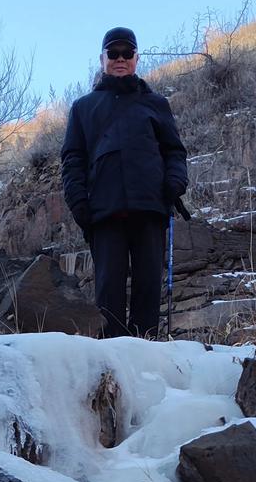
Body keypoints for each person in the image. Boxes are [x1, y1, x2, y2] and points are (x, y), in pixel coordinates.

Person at [61, 26, 188, 338]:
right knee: (108, 291)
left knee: (148, 286)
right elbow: (72, 160)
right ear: (102, 59)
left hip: (150, 206)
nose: (120, 58)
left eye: (127, 53)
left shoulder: (156, 103)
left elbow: (174, 151)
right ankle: (111, 365)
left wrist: (174, 181)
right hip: (104, 212)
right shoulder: (83, 107)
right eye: (113, 53)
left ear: (136, 58)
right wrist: (78, 202)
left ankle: (146, 356)